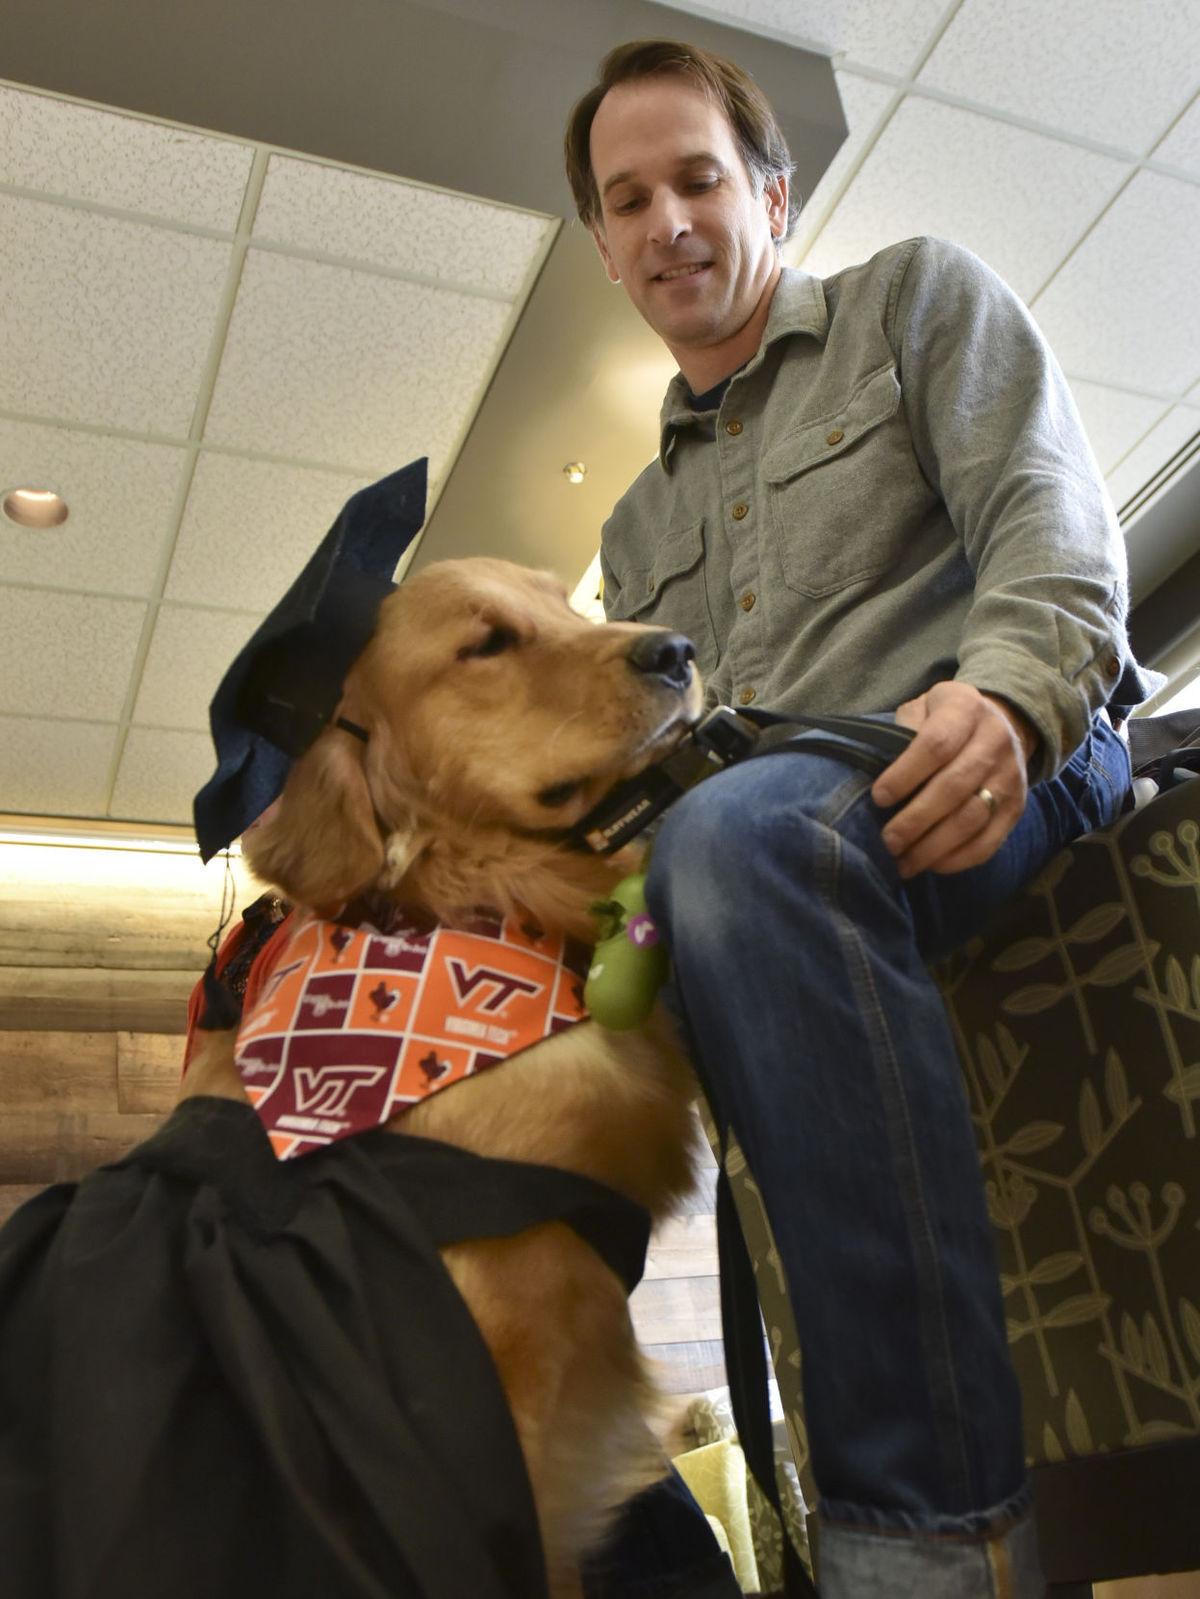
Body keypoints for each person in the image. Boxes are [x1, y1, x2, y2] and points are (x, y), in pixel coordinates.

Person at [563, 37, 1158, 1599]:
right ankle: (611, 1524)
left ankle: (925, 1541)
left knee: (742, 843)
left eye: (696, 179)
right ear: (607, 250)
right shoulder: (632, 526)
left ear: (767, 189)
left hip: (1002, 757)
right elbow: (672, 765)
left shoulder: (913, 300)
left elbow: (1054, 527)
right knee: (562, 999)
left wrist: (1013, 700)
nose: (669, 221)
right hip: (767, 842)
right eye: (629, 202)